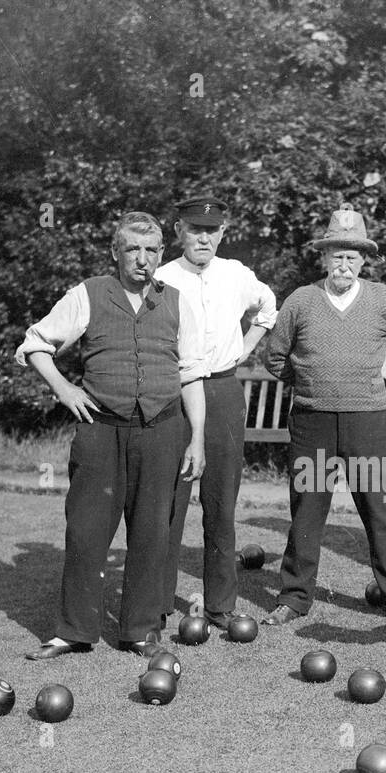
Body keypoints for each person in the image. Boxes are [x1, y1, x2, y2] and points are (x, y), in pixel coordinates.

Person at [17, 211, 206, 661]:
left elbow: (192, 374)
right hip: (100, 430)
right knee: (86, 531)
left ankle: (139, 630)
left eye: (151, 251)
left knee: (151, 532)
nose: (142, 260)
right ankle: (74, 631)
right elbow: (35, 343)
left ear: (162, 254)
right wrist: (64, 389)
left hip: (162, 430)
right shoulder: (88, 294)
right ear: (115, 252)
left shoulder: (178, 302)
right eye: (133, 250)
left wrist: (197, 437)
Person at [262, 208, 386, 626]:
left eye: (352, 256)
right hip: (314, 425)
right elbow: (274, 357)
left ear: (363, 260)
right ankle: (294, 597)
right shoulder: (301, 300)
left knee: (379, 511)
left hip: (368, 424)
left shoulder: (382, 299)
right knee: (308, 511)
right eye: (336, 255)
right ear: (324, 258)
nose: (343, 264)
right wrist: (310, 379)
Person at [156, 194, 278, 630]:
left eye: (212, 231)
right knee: (169, 501)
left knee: (220, 503)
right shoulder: (160, 277)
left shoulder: (236, 274)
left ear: (223, 233)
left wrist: (245, 350)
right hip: (174, 395)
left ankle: (221, 606)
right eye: (194, 230)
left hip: (224, 390)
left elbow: (269, 307)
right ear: (178, 232)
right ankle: (156, 606)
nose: (203, 238)